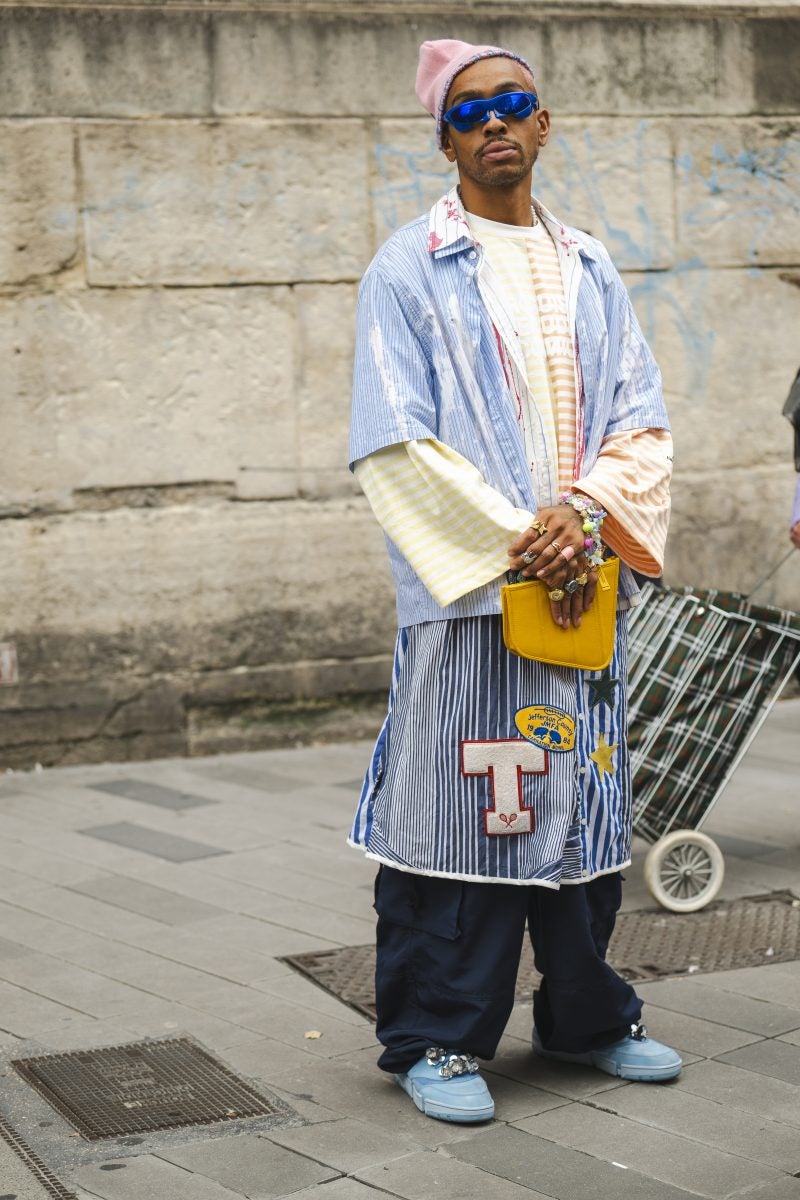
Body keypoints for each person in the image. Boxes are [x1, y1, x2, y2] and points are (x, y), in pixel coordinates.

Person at [348, 38, 681, 1124]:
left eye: (513, 103)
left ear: (543, 124)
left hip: (581, 584)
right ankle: (434, 1038)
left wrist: (579, 519)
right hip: (470, 602)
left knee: (580, 804)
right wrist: (516, 542)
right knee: (464, 811)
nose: (493, 123)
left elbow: (639, 420)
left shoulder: (589, 265)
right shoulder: (407, 269)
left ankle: (588, 1021)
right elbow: (394, 440)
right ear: (441, 138)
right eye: (469, 111)